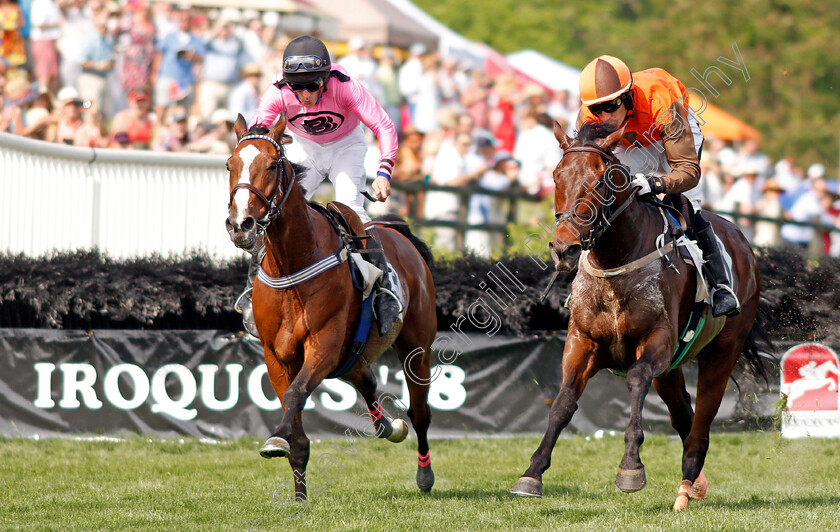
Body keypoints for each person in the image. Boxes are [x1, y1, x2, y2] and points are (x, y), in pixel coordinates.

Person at [239, 35, 401, 339]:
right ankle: (251, 291)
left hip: (346, 147)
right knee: (271, 215)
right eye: (296, 86)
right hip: (304, 149)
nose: (303, 94)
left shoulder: (346, 86)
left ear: (325, 79)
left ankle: (386, 291)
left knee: (352, 210)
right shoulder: (277, 91)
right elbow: (258, 133)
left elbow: (383, 125)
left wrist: (384, 171)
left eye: (311, 86)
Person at [577, 55, 739, 317]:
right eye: (598, 109)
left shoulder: (660, 102)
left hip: (674, 131)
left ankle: (721, 285)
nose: (605, 116)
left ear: (627, 97)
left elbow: (688, 172)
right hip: (632, 141)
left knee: (686, 207)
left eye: (612, 105)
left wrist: (655, 183)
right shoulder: (588, 116)